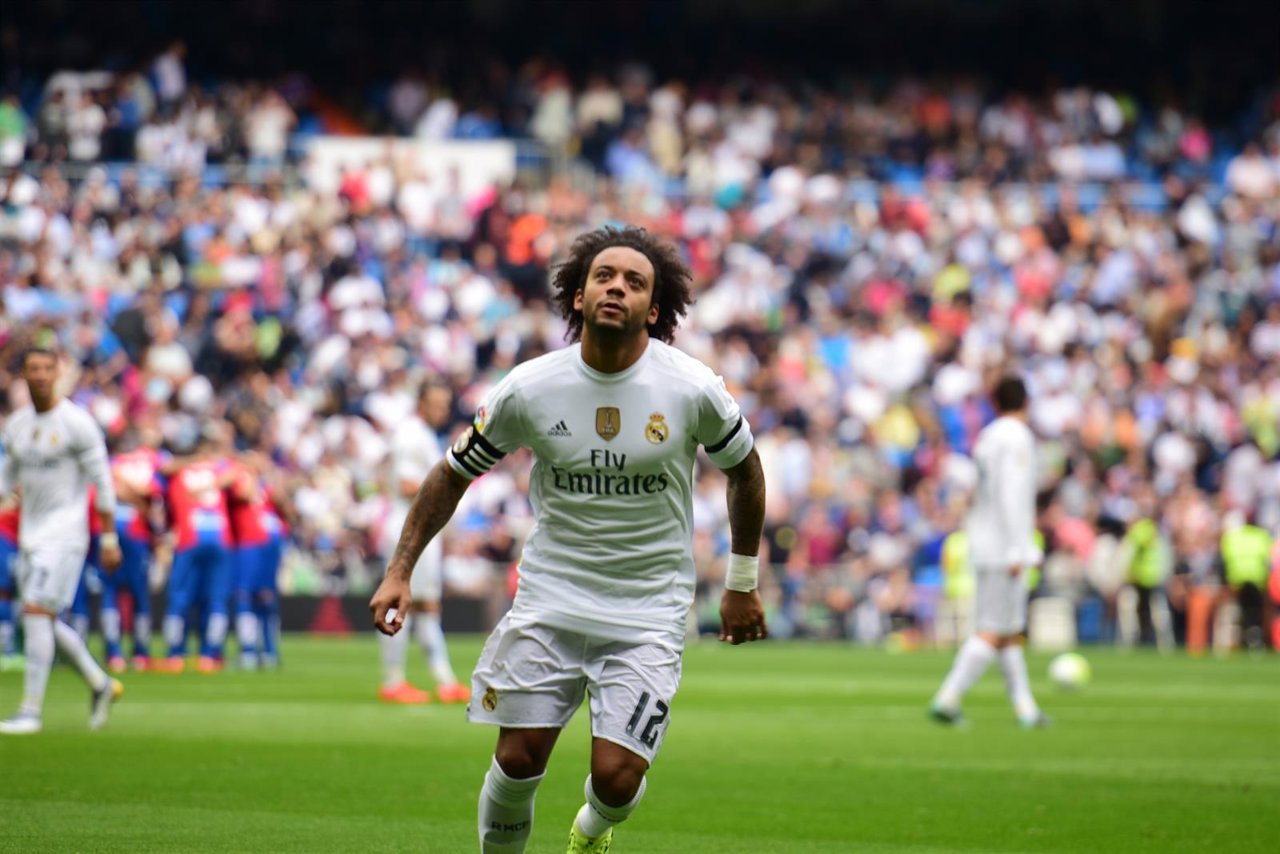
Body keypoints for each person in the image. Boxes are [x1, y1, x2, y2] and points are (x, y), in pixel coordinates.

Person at [369, 225, 767, 853]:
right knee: (518, 757)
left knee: (616, 777)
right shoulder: (530, 388)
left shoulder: (693, 388)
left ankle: (592, 830)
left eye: (635, 282)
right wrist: (400, 569)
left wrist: (741, 583)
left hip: (647, 611)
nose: (617, 287)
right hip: (550, 600)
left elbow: (745, 470)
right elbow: (451, 474)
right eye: (604, 276)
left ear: (654, 310)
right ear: (577, 297)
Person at [0, 347, 123, 735]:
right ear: (23, 374)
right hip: (31, 535)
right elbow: (7, 478)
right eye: (32, 368)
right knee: (40, 618)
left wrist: (108, 536)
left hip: (67, 535)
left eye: (46, 369)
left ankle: (30, 712)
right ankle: (100, 683)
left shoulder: (76, 423)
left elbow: (103, 481)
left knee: (36, 612)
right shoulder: (18, 425)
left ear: (57, 373)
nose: (39, 375)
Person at [929, 375, 1051, 728]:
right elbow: (1012, 494)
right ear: (1026, 402)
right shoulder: (1016, 438)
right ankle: (948, 698)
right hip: (1004, 547)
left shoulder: (987, 437)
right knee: (993, 628)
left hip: (984, 541)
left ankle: (1026, 710)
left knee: (1010, 630)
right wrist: (1018, 548)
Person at [376, 379, 470, 704]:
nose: (443, 411)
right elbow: (405, 485)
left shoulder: (424, 435)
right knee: (404, 601)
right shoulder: (411, 435)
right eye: (437, 405)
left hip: (422, 530)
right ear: (421, 403)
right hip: (408, 528)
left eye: (445, 405)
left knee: (428, 606)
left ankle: (444, 681)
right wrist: (448, 490)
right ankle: (392, 680)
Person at [103, 433, 170, 671]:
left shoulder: (111, 465)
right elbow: (152, 498)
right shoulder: (147, 465)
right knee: (138, 594)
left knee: (111, 592)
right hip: (135, 534)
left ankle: (114, 652)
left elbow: (110, 490)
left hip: (112, 531)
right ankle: (140, 651)